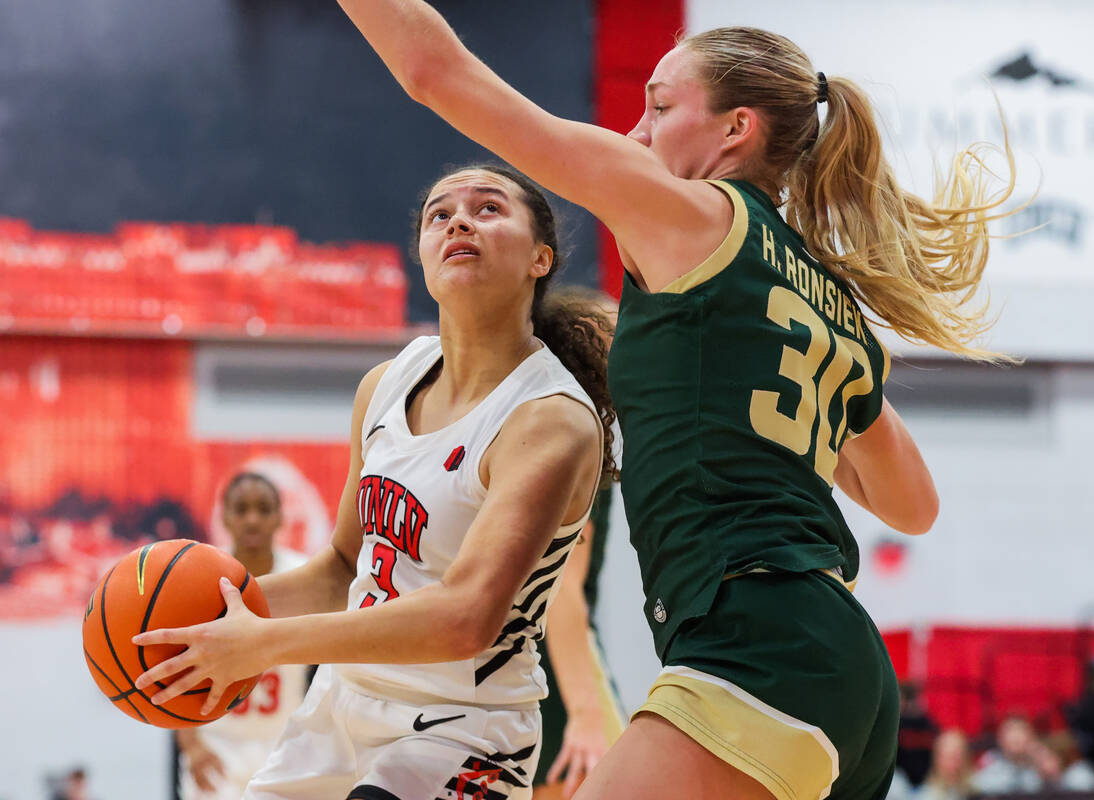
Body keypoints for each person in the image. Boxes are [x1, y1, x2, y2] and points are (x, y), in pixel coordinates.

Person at [334, 3, 1017, 798]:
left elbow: (437, 74)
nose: (636, 134)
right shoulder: (828, 302)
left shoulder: (688, 217)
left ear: (736, 130)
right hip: (851, 675)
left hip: (756, 648)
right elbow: (914, 503)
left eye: (659, 107)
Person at [134, 164, 617, 799]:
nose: (459, 221)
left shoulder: (549, 418)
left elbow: (464, 617)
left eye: (488, 208)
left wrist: (260, 644)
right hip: (342, 709)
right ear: (421, 252)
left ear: (540, 258)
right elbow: (341, 567)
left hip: (462, 729)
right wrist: (192, 621)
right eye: (439, 215)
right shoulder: (386, 383)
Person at [535, 289, 625, 800]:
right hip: (551, 665)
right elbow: (561, 591)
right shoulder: (576, 433)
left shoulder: (528, 423)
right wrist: (587, 716)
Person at [175, 472, 309, 800]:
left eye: (264, 509)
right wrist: (192, 746)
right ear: (224, 516)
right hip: (217, 742)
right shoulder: (198, 577)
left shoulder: (306, 576)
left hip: (285, 744)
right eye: (242, 509)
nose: (253, 519)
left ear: (280, 517)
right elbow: (173, 670)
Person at [970, 715, 1042, 794]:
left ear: (1031, 738)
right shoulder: (989, 762)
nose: (1016, 737)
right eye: (1010, 731)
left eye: (1021, 731)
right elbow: (974, 785)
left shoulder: (1041, 764)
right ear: (1000, 739)